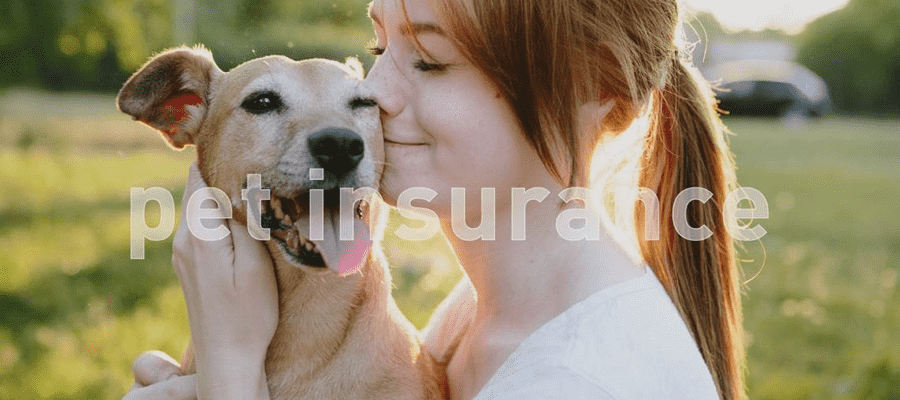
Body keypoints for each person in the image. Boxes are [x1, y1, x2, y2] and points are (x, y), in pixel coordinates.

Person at [124, 0, 745, 399]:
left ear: (596, 86)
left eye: (428, 60)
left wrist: (231, 374)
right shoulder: (477, 313)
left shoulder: (583, 384)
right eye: (380, 49)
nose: (372, 93)